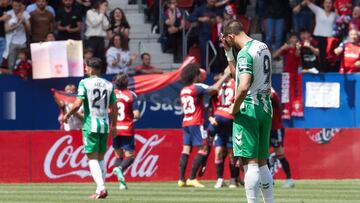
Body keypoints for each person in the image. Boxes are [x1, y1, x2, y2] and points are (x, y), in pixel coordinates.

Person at [221, 19, 274, 203]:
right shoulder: (262, 46)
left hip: (249, 109)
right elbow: (239, 76)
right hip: (265, 107)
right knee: (262, 161)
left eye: (227, 40)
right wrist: (228, 52)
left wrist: (233, 109)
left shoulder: (244, 53)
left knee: (249, 162)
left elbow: (242, 87)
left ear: (230, 36)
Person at [63, 57, 118, 199]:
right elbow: (114, 107)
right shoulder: (109, 84)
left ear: (92, 69)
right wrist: (115, 125)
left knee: (92, 158)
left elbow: (77, 104)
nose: (85, 69)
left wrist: (68, 114)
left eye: (86, 67)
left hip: (90, 125)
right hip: (104, 125)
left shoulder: (85, 83)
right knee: (101, 158)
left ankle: (101, 187)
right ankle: (100, 189)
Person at [178, 63, 230, 188]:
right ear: (195, 75)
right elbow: (214, 88)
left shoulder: (183, 90)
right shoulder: (197, 87)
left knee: (186, 150)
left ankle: (181, 179)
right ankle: (192, 178)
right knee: (204, 148)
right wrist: (226, 75)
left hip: (186, 121)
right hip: (196, 122)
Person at [207, 74, 242, 188]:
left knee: (232, 152)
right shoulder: (220, 85)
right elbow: (209, 101)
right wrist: (210, 117)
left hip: (232, 120)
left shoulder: (238, 83)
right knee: (218, 152)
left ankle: (233, 179)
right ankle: (220, 179)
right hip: (220, 119)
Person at [112, 73, 140, 190]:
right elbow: (137, 115)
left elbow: (109, 111)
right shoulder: (131, 95)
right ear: (127, 83)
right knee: (130, 156)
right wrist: (130, 117)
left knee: (119, 156)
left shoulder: (111, 95)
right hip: (127, 128)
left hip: (114, 128)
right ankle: (119, 169)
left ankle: (121, 183)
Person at [269, 88, 294, 188]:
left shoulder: (272, 93)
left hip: (276, 129)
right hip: (266, 129)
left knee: (280, 153)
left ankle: (289, 179)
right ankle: (268, 179)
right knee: (264, 154)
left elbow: (270, 95)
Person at [302, 0, 336, 72]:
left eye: (330, 3)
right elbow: (307, 2)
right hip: (317, 37)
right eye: (326, 2)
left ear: (332, 5)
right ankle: (316, 70)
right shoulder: (318, 10)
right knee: (317, 55)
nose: (328, 4)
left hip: (329, 39)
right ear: (323, 4)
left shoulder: (334, 14)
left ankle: (326, 71)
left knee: (327, 56)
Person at [4, 0, 30, 70]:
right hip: (12, 42)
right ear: (12, 5)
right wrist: (18, 24)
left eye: (19, 6)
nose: (17, 8)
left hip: (23, 42)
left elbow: (29, 29)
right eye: (15, 6)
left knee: (21, 64)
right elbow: (6, 29)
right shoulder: (8, 13)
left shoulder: (25, 14)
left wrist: (24, 21)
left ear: (21, 5)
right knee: (11, 64)